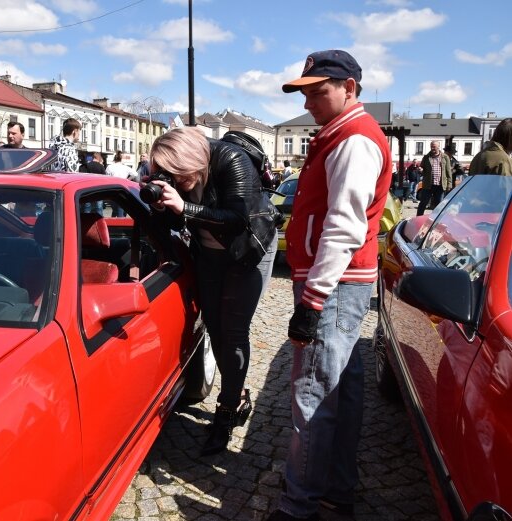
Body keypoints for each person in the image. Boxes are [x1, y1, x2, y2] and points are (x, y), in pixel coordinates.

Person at [269, 49, 392, 521]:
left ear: (349, 89)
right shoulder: (345, 134)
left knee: (314, 394)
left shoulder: (353, 139)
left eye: (318, 93)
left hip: (336, 284)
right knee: (340, 386)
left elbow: (344, 226)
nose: (308, 104)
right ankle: (334, 491)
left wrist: (312, 299)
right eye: (306, 93)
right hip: (344, 282)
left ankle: (299, 505)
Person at [148, 126, 275, 457]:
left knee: (232, 332)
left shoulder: (231, 159)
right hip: (209, 255)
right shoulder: (176, 174)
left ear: (194, 158)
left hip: (247, 250)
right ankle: (238, 392)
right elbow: (175, 226)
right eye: (171, 175)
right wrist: (163, 209)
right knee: (214, 329)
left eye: (182, 173)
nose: (178, 180)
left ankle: (226, 411)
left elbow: (238, 219)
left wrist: (184, 207)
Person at [416, 140, 452, 216]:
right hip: (428, 185)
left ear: (439, 147)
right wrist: (420, 170)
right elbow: (422, 168)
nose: (432, 148)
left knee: (439, 205)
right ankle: (418, 218)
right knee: (423, 203)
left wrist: (449, 184)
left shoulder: (445, 157)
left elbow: (448, 172)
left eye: (434, 147)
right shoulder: (426, 157)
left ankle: (437, 220)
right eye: (431, 146)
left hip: (440, 185)